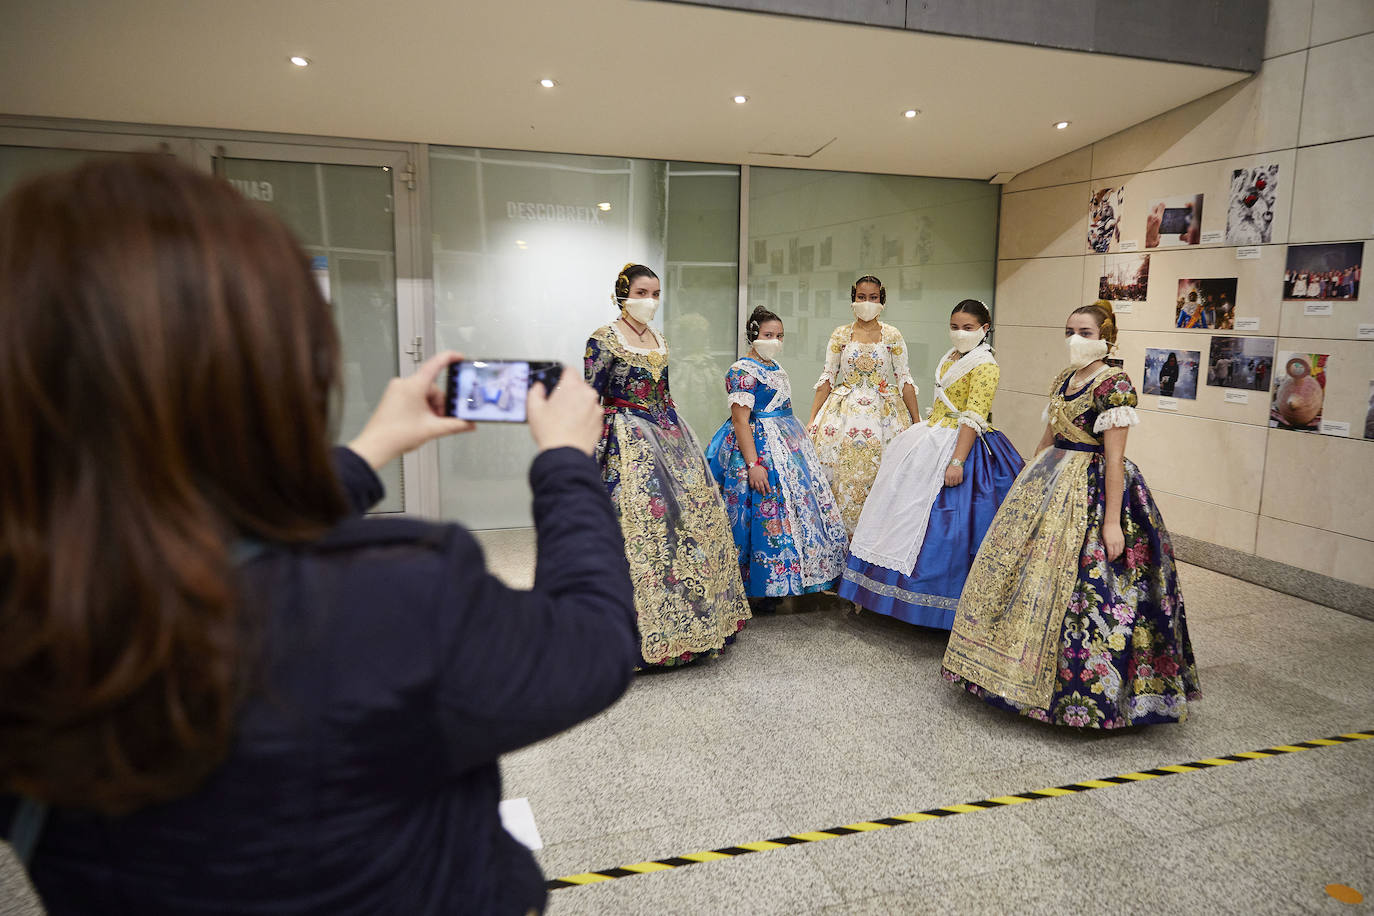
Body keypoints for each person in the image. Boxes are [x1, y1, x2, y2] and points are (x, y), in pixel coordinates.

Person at [0, 156, 639, 915]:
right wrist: (566, 464)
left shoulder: (32, 607)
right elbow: (593, 643)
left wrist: (368, 452)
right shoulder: (392, 600)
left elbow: (201, 530)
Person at [942, 300, 1199, 728]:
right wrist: (1029, 476)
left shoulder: (1114, 384)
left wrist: (1112, 522)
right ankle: (998, 671)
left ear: (1106, 337)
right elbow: (1050, 435)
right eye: (1070, 332)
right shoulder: (1064, 378)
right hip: (1051, 476)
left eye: (1085, 333)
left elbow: (1115, 460)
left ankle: (1084, 695)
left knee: (1087, 589)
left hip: (1093, 486)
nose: (1075, 340)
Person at [585, 264, 750, 666]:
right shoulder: (602, 340)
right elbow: (591, 396)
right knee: (637, 525)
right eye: (642, 292)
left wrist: (674, 429)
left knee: (688, 520)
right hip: (625, 436)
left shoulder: (659, 339)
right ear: (623, 293)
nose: (650, 301)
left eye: (656, 293)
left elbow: (665, 391)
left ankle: (695, 621)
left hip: (670, 432)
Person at [838, 301, 1025, 629]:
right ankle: (885, 594)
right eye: (955, 326)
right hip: (933, 435)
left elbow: (974, 416)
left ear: (985, 328)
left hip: (962, 444)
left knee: (949, 523)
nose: (959, 333)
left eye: (968, 328)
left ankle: (942, 606)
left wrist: (957, 461)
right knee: (901, 510)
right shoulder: (952, 357)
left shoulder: (985, 364)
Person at [705, 307, 848, 604]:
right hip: (759, 446)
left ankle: (790, 582)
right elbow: (741, 420)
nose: (775, 340)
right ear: (754, 335)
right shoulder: (741, 370)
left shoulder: (774, 367)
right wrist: (753, 464)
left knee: (795, 509)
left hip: (788, 443)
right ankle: (759, 586)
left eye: (779, 335)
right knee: (759, 510)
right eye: (769, 335)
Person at [807, 276, 921, 534]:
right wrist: (812, 419)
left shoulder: (892, 335)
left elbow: (905, 379)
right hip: (842, 413)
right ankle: (839, 539)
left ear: (882, 300)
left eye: (873, 298)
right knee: (838, 475)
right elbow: (827, 376)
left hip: (884, 414)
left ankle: (873, 539)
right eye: (861, 297)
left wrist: (917, 423)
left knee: (881, 476)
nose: (866, 302)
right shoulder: (840, 334)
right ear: (853, 299)